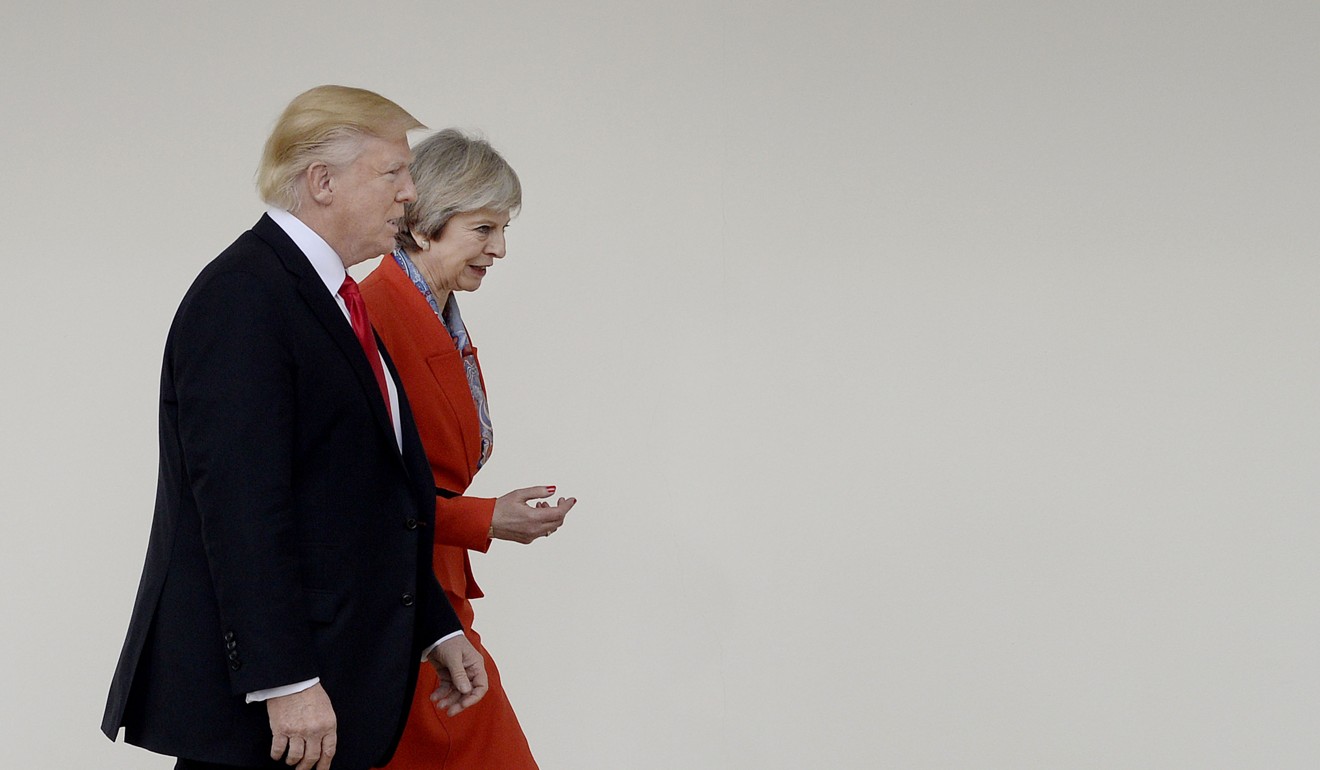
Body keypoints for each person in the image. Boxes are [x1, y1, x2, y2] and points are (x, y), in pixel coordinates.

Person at [101, 86, 489, 770]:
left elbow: (372, 495)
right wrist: (284, 681)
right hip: (275, 716)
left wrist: (436, 627)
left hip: (339, 688)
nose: (410, 193)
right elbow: (242, 507)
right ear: (322, 182)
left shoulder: (333, 299)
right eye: (393, 173)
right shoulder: (244, 297)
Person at [359, 129, 575, 769]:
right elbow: (362, 489)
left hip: (429, 596)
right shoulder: (374, 316)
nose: (500, 248)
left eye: (503, 228)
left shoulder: (432, 309)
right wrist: (485, 518)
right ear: (425, 225)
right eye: (484, 229)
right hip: (400, 603)